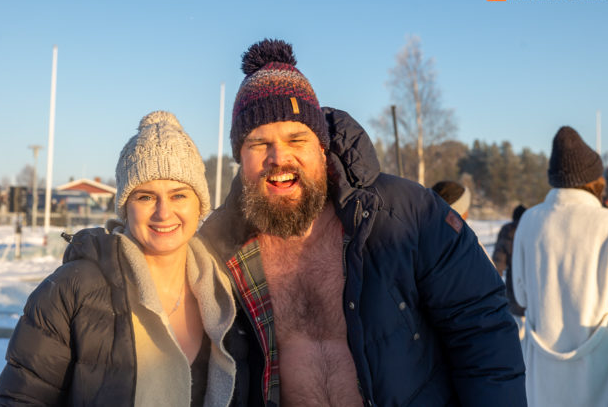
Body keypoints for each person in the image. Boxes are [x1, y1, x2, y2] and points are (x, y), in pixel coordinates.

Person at [199, 39, 526, 406]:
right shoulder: (216, 251)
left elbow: (482, 332)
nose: (279, 157)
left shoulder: (408, 215)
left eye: (296, 139)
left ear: (321, 148)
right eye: (259, 143)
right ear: (240, 158)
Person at [0, 111, 241, 406]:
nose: (163, 212)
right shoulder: (70, 290)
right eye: (145, 196)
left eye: (178, 195)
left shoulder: (229, 293)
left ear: (199, 204)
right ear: (125, 208)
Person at [512, 126, 608, 407]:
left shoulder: (529, 221)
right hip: (599, 370)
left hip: (543, 371)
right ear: (594, 179)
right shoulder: (606, 224)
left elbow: (520, 296)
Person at [492, 204, 526, 320]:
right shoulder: (532, 228)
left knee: (517, 316)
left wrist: (495, 278)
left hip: (513, 279)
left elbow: (499, 257)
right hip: (533, 279)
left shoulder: (508, 230)